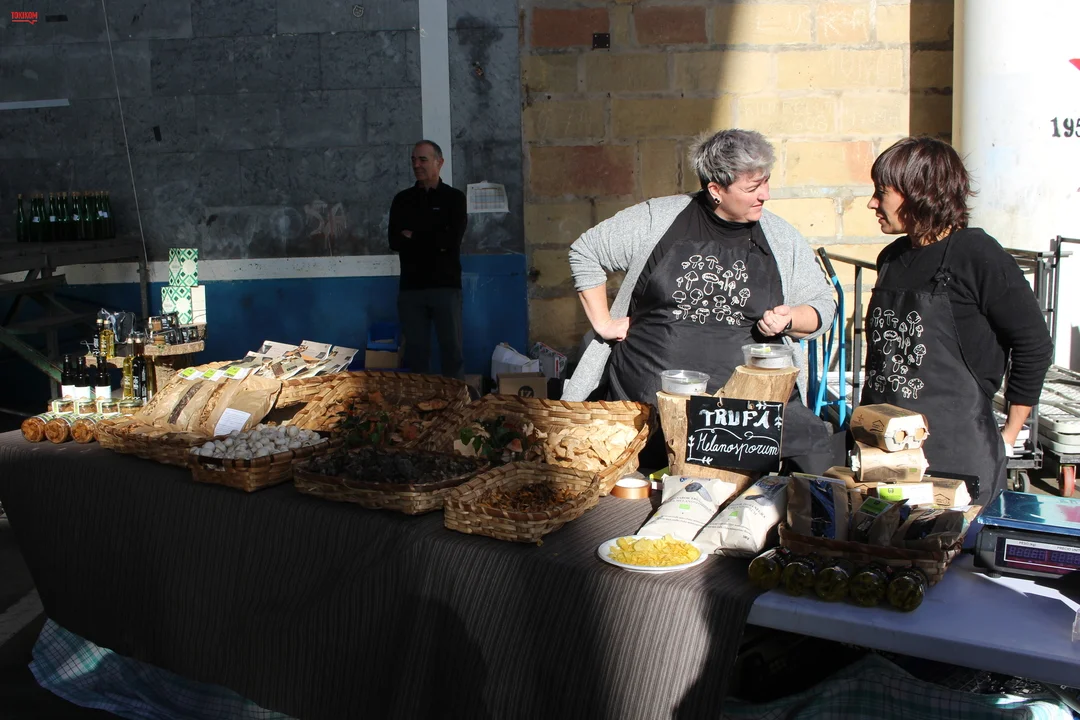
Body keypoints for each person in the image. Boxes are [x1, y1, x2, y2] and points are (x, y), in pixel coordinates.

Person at [562, 129, 838, 472]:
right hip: (652, 402)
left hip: (747, 412)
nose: (764, 195)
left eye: (766, 182)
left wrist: (791, 317)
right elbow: (586, 250)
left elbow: (822, 306)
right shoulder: (656, 220)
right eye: (752, 188)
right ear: (716, 190)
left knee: (812, 447)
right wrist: (603, 323)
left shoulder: (781, 237)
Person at [862, 136, 1052, 505]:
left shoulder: (977, 255)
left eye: (881, 192)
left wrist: (1010, 434)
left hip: (955, 456)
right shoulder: (891, 258)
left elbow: (1034, 343)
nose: (872, 203)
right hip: (885, 451)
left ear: (917, 194)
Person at [388, 140, 468, 380]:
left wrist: (413, 236)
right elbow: (394, 241)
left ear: (439, 162)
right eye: (413, 160)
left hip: (446, 287)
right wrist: (433, 238)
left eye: (423, 159)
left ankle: (456, 400)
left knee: (452, 351)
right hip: (411, 289)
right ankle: (421, 401)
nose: (416, 165)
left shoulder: (454, 198)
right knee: (417, 354)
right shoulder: (402, 200)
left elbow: (451, 241)